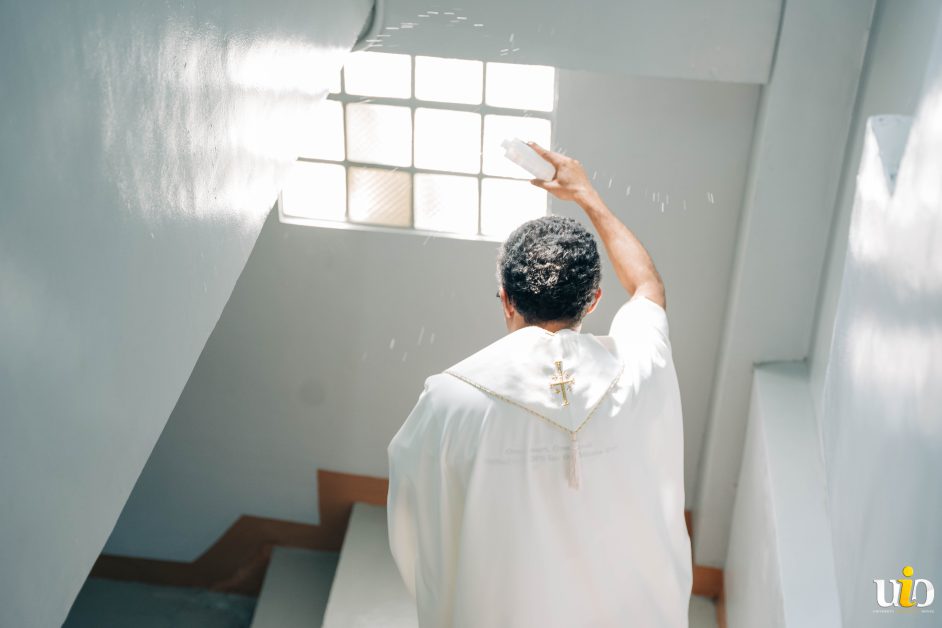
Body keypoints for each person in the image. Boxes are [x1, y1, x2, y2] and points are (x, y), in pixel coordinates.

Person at [386, 143, 693, 627]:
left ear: (506, 299)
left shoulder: (450, 399)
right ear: (594, 300)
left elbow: (414, 514)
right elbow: (647, 286)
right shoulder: (641, 365)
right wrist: (587, 195)